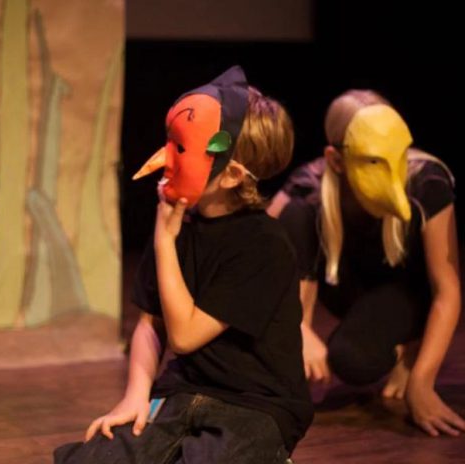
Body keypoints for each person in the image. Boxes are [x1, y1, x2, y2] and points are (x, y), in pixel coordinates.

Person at [54, 66, 312, 464]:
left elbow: (185, 335)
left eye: (182, 147)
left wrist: (164, 243)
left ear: (230, 176)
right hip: (182, 392)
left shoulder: (264, 244)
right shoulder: (179, 220)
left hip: (256, 406)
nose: (165, 158)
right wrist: (134, 396)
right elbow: (149, 325)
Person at [267, 89, 465, 437]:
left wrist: (422, 381)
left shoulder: (426, 183)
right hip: (347, 285)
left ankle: (411, 345)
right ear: (336, 160)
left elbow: (447, 290)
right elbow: (257, 260)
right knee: (297, 215)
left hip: (405, 290)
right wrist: (295, 328)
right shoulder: (306, 188)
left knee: (352, 360)